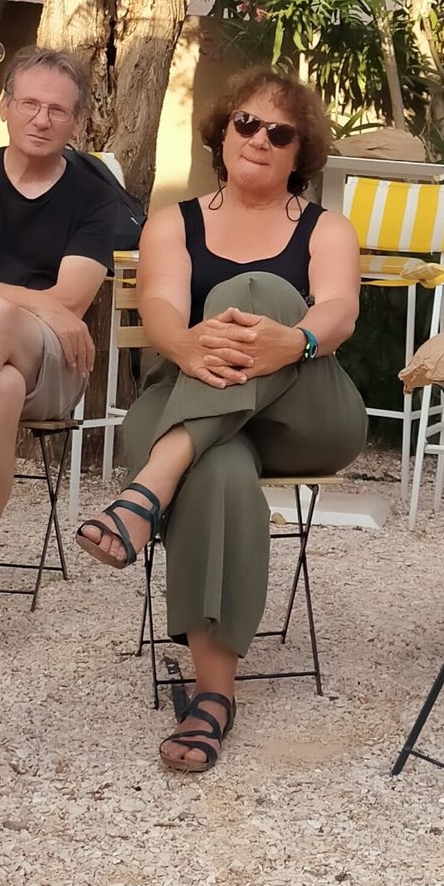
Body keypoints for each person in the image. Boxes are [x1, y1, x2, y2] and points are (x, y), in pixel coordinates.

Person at [76, 68, 368, 773]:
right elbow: (162, 309)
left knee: (258, 289)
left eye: (280, 133)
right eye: (246, 123)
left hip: (305, 414)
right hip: (193, 394)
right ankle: (214, 695)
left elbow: (338, 311)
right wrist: (187, 349)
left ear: (300, 153)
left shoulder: (325, 228)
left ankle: (152, 484)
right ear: (223, 132)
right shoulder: (174, 222)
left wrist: (292, 340)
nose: (259, 139)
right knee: (222, 467)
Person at [0, 50, 118, 660]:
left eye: (57, 110)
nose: (42, 118)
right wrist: (33, 300)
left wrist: (2, 298)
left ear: (76, 122)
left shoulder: (94, 197)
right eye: (30, 104)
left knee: (3, 321)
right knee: (3, 387)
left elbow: (70, 303)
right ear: (6, 108)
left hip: (55, 364)